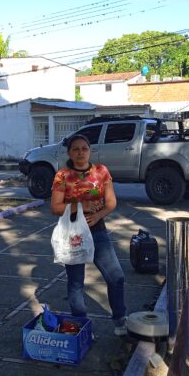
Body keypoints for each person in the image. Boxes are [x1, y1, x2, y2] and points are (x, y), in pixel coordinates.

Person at [50, 134, 128, 336]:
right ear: (69, 153)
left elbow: (111, 202)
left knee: (116, 276)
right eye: (75, 149)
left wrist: (98, 215)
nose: (80, 153)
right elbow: (56, 207)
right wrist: (81, 206)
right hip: (73, 232)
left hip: (97, 229)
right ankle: (81, 326)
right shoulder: (62, 176)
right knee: (76, 283)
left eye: (84, 148)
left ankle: (120, 321)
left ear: (90, 150)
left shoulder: (101, 172)